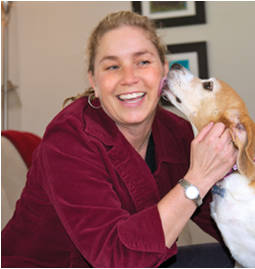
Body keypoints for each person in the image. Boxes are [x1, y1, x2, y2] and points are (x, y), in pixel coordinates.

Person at [1, 10, 237, 268]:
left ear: (164, 71)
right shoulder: (68, 141)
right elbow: (115, 259)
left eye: (143, 62)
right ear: (93, 80)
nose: (128, 78)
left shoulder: (177, 133)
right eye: (113, 66)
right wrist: (198, 178)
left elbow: (229, 221)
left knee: (238, 260)